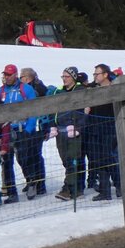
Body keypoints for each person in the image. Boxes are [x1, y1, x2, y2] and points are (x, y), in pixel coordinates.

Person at [0, 63, 35, 202]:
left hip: (21, 129)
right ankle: (12, 192)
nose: (6, 77)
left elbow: (33, 110)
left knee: (24, 159)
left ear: (15, 75)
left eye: (9, 75)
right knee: (7, 162)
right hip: (6, 131)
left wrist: (28, 129)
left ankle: (31, 182)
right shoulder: (0, 91)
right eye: (5, 74)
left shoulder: (26, 89)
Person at [51, 67, 87, 200]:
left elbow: (84, 111)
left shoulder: (80, 90)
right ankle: (76, 188)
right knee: (66, 160)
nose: (64, 79)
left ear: (73, 77)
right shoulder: (58, 91)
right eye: (63, 76)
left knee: (73, 159)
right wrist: (52, 125)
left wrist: (78, 127)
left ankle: (68, 189)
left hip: (73, 130)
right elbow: (53, 109)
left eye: (66, 76)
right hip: (60, 130)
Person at [87, 64, 120, 201]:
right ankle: (105, 190)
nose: (94, 76)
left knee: (109, 157)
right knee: (99, 159)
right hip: (95, 128)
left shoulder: (113, 89)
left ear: (105, 74)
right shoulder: (93, 90)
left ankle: (120, 185)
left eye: (97, 74)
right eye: (94, 74)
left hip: (109, 128)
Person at [18, 67, 49, 197]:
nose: (20, 79)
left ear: (27, 78)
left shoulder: (35, 89)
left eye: (21, 77)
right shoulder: (33, 88)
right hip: (30, 126)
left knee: (34, 155)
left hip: (37, 127)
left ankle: (39, 183)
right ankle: (31, 180)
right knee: (26, 155)